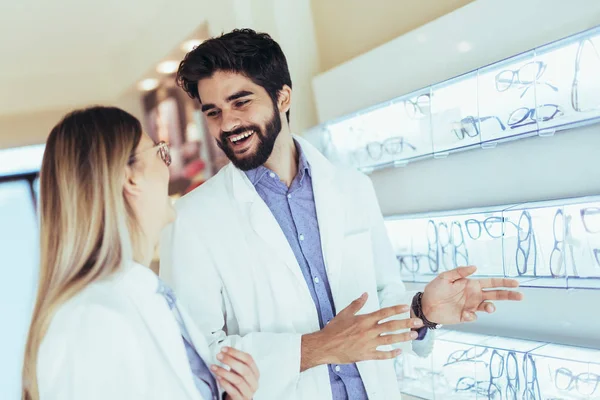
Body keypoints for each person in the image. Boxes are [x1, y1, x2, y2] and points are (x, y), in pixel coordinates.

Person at [160, 29, 523, 400]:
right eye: (214, 112)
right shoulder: (192, 218)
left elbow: (381, 294)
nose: (228, 124)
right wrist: (319, 347)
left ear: (282, 97)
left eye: (241, 102)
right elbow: (192, 354)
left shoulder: (352, 188)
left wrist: (421, 310)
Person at [21, 106, 259, 400]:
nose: (168, 166)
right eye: (160, 152)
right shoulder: (89, 321)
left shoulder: (150, 297)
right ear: (130, 179)